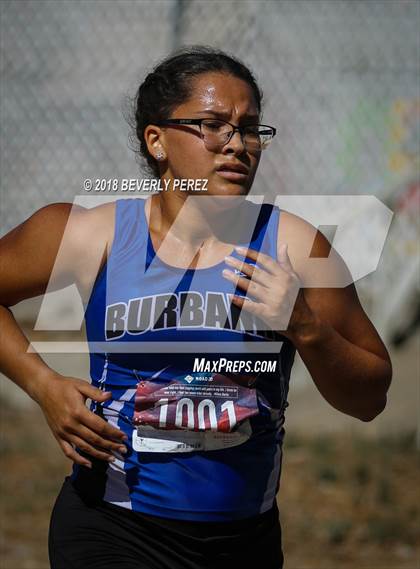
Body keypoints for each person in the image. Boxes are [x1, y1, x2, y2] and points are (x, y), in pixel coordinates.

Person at [0, 45, 392, 569]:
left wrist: (307, 328)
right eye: (213, 125)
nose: (238, 145)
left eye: (250, 129)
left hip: (240, 540)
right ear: (157, 141)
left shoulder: (296, 247)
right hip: (110, 525)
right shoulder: (88, 233)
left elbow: (370, 398)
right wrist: (42, 384)